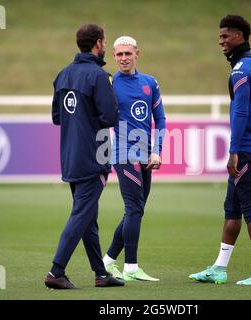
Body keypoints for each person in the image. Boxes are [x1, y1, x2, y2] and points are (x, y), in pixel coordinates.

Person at [189, 15, 251, 286]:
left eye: (225, 36)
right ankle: (219, 267)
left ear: (239, 36)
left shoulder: (240, 69)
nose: (221, 41)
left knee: (250, 208)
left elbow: (240, 111)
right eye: (220, 36)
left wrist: (233, 150)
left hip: (247, 148)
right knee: (232, 209)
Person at [44, 23, 124, 289]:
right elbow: (111, 116)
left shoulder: (62, 74)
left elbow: (57, 117)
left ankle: (100, 274)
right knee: (81, 215)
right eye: (105, 42)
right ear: (99, 43)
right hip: (94, 157)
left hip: (70, 156)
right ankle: (56, 271)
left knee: (88, 216)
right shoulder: (99, 77)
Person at [102, 36, 166, 281]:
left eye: (128, 53)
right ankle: (130, 267)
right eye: (119, 54)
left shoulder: (150, 82)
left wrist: (157, 149)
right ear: (114, 56)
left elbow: (160, 118)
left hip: (146, 153)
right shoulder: (108, 83)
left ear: (137, 53)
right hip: (122, 153)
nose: (124, 58)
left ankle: (107, 261)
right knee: (134, 209)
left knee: (135, 211)